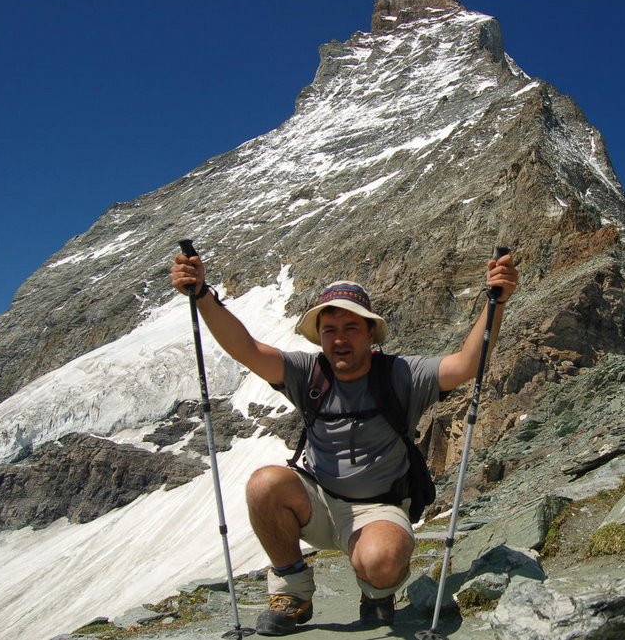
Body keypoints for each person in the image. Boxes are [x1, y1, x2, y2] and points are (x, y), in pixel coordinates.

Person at [170, 251, 518, 635]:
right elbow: (247, 350)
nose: (339, 339)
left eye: (351, 327)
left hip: (379, 509)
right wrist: (202, 295)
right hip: (318, 502)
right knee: (264, 484)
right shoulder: (307, 373)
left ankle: (375, 591)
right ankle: (292, 593)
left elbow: (467, 364)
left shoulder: (401, 374)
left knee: (382, 561)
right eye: (330, 329)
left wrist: (495, 302)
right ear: (319, 337)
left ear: (371, 334)